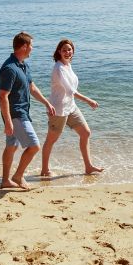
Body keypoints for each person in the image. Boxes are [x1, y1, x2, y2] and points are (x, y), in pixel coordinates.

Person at [0, 32, 55, 190]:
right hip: (16, 114)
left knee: (12, 146)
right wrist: (8, 122)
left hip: (22, 111)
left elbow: (31, 87)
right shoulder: (9, 68)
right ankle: (18, 176)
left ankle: (5, 181)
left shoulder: (22, 64)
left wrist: (46, 103)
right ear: (24, 46)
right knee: (34, 146)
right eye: (31, 45)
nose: (32, 48)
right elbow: (3, 96)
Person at [41, 38, 104, 176]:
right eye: (64, 50)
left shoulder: (67, 65)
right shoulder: (58, 68)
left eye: (69, 50)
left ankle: (88, 167)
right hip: (58, 109)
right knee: (51, 140)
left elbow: (71, 91)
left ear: (73, 51)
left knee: (85, 133)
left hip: (71, 107)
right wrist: (88, 100)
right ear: (59, 52)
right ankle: (44, 170)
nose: (67, 52)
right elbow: (70, 91)